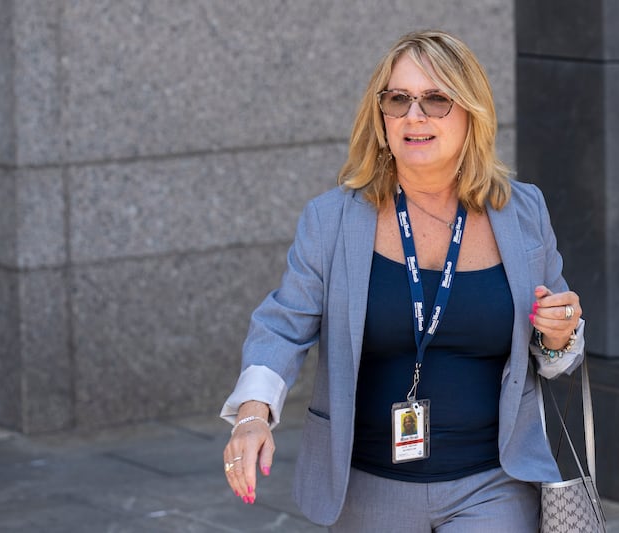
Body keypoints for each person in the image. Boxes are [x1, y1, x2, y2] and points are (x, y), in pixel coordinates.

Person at [220, 29, 585, 532]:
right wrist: (252, 415)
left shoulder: (523, 211)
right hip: (368, 485)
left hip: (493, 482)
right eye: (398, 99)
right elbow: (283, 325)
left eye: (436, 99)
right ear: (381, 116)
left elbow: (557, 348)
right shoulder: (332, 220)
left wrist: (559, 333)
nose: (415, 115)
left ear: (471, 112)